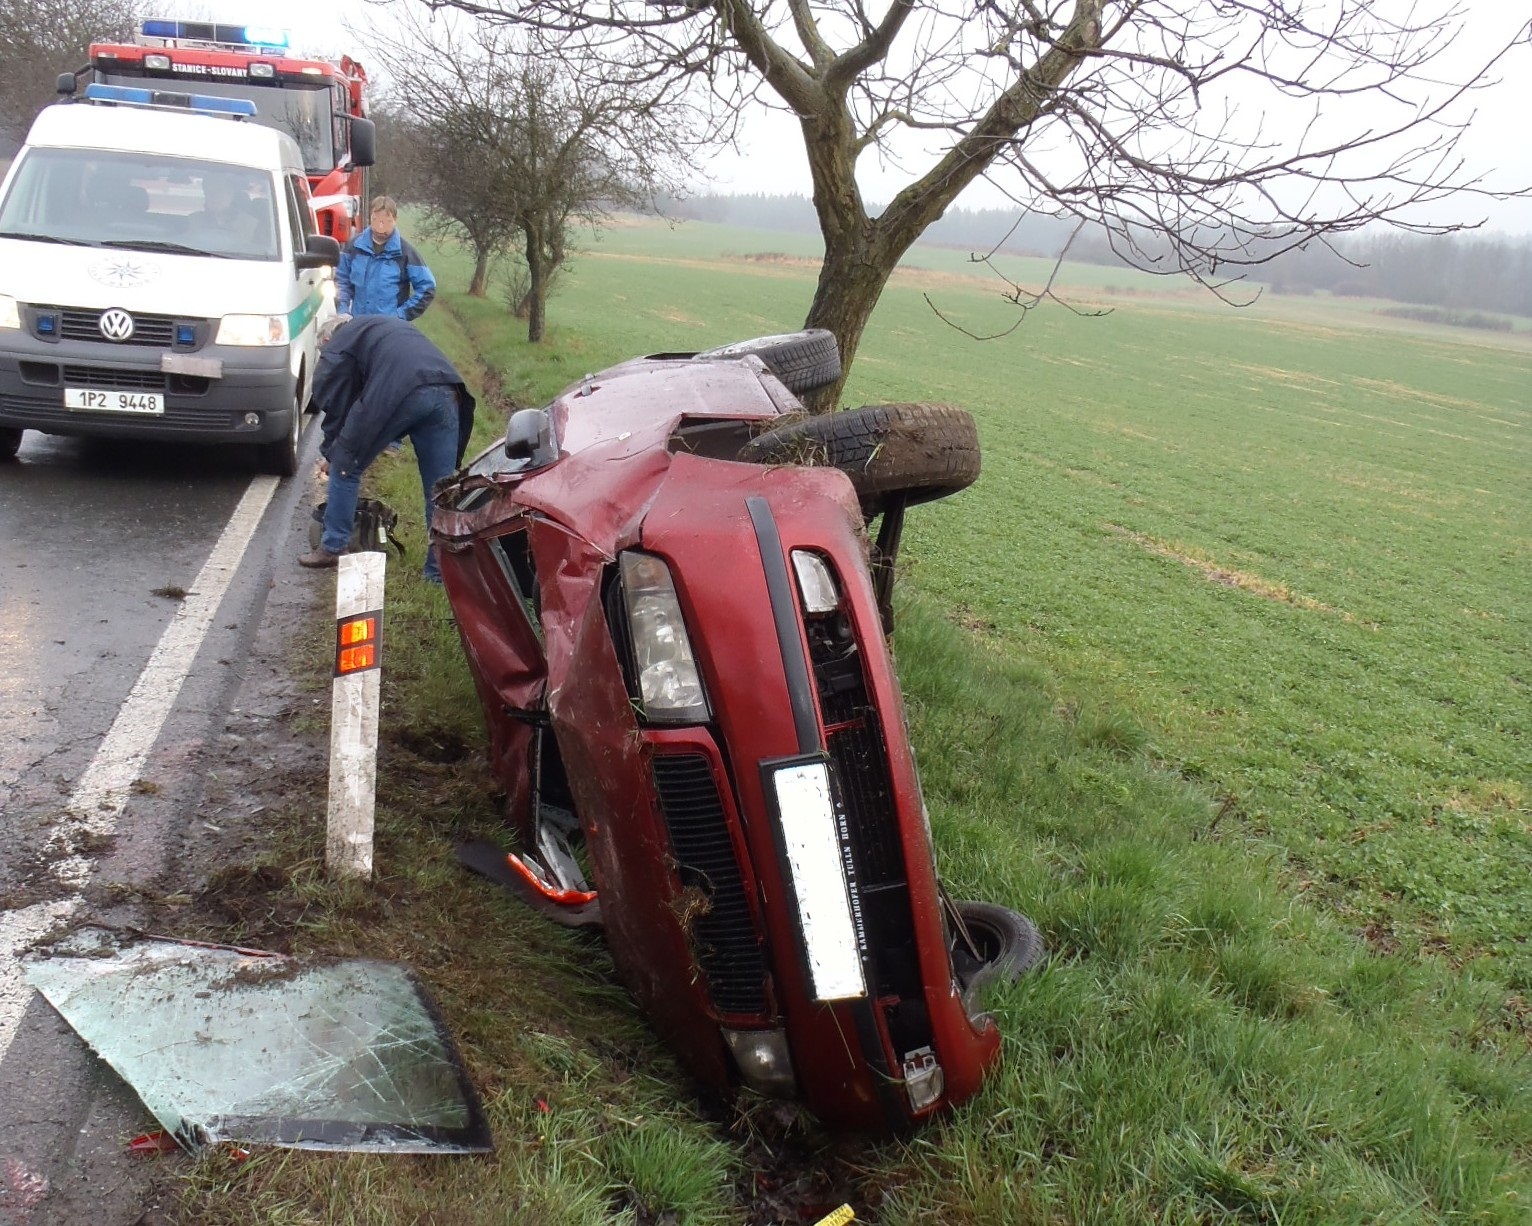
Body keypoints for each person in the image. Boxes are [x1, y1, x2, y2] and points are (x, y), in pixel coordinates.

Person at [298, 314, 475, 583]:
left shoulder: (339, 343)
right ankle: (439, 573)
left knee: (346, 466)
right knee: (440, 489)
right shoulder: (379, 327)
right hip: (447, 392)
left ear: (326, 339)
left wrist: (334, 452)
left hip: (402, 391)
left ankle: (333, 547)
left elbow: (332, 398)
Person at [335, 195, 436, 321]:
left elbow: (427, 288)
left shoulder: (406, 253)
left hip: (390, 330)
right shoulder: (353, 247)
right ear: (369, 218)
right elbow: (340, 280)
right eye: (376, 219)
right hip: (358, 326)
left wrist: (400, 315)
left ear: (395, 220)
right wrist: (343, 311)